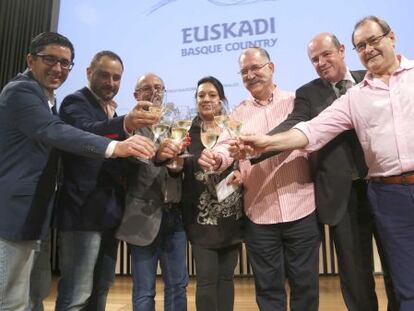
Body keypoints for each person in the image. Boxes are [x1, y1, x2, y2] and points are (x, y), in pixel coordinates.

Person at [236, 16, 414, 311]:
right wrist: (263, 145)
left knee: (401, 270)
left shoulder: (367, 81)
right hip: (345, 197)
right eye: (314, 59)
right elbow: (306, 129)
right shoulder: (324, 94)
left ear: (343, 50)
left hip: (383, 190)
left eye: (326, 54)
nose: (320, 62)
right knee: (358, 275)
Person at [0, 32, 156, 311]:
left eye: (64, 63)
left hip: (43, 213)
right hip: (27, 212)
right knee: (18, 300)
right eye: (50, 59)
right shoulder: (27, 92)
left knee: (35, 295)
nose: (58, 68)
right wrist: (118, 144)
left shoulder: (48, 98)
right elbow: (60, 131)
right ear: (30, 60)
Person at [199, 48, 320, 310]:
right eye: (244, 71)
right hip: (260, 215)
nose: (250, 75)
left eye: (256, 68)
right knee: (268, 291)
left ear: (271, 67)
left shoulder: (296, 101)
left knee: (306, 287)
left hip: (301, 209)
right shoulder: (238, 114)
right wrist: (216, 159)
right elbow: (223, 147)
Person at [53, 51, 158, 311]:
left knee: (100, 289)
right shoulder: (73, 103)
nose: (111, 82)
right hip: (82, 213)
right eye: (104, 75)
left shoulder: (108, 110)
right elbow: (86, 133)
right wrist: (125, 124)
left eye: (116, 78)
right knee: (76, 294)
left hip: (109, 214)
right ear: (89, 73)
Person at [116, 73, 189, 311]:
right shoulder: (127, 128)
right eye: (147, 88)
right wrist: (159, 157)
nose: (154, 92)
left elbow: (176, 170)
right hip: (142, 218)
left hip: (175, 218)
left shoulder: (174, 127)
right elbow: (138, 162)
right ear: (136, 95)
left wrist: (177, 169)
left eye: (159, 87)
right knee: (144, 290)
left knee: (178, 286)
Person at [179, 76, 244, 311]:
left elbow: (244, 161)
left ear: (221, 99)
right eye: (201, 95)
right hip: (201, 217)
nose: (206, 99)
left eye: (212, 95)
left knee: (226, 278)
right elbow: (178, 166)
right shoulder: (185, 131)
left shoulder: (233, 127)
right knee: (206, 278)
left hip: (231, 215)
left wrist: (243, 173)